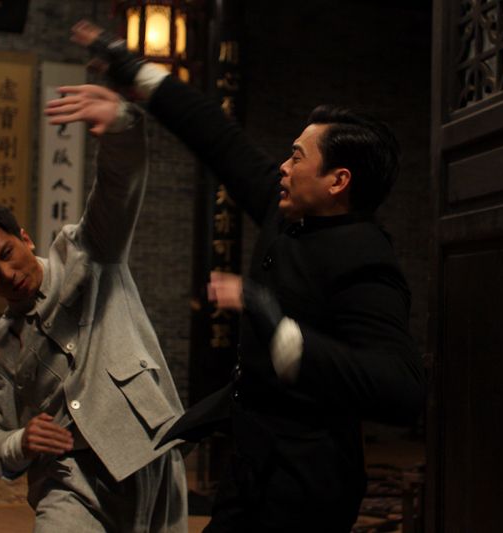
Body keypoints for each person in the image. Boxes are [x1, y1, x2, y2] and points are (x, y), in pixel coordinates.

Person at [65, 20, 426, 533]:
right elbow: (216, 135)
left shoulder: (368, 260)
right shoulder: (287, 214)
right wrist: (127, 66)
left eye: (297, 157)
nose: (283, 167)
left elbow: (402, 387)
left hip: (308, 486)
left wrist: (276, 323)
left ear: (337, 181)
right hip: (252, 466)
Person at [0, 86, 187, 532]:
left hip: (145, 450)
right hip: (67, 480)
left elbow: (115, 191)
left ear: (24, 238)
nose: (6, 273)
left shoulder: (88, 255)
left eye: (6, 253)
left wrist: (121, 129)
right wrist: (20, 440)